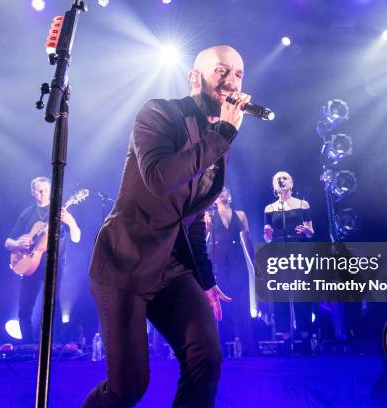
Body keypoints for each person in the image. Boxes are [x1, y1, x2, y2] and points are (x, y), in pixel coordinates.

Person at [83, 45, 250, 408]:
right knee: (128, 388)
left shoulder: (217, 141)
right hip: (124, 262)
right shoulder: (159, 113)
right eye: (222, 71)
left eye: (238, 74)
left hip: (169, 269)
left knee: (206, 360)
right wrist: (222, 134)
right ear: (195, 78)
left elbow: (189, 219)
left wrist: (206, 281)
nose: (231, 81)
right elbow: (160, 179)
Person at [4, 177, 81, 343]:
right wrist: (18, 244)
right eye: (39, 191)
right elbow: (7, 242)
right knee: (24, 310)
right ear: (33, 192)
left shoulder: (59, 212)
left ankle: (56, 345)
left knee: (53, 304)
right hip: (29, 264)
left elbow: (76, 238)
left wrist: (71, 222)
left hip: (53, 264)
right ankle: (27, 347)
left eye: (46, 190)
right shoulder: (28, 213)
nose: (43, 194)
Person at [263, 171, 314, 343]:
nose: (281, 180)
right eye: (278, 179)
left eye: (284, 178)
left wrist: (307, 231)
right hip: (278, 250)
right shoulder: (269, 209)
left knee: (300, 293)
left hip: (298, 248)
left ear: (291, 183)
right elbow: (267, 236)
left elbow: (310, 232)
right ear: (274, 186)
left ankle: (305, 337)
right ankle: (284, 338)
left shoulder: (303, 204)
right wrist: (268, 235)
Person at [204, 186, 255, 356]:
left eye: (225, 190)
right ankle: (222, 345)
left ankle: (247, 345)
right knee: (220, 301)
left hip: (237, 258)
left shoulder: (240, 214)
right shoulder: (209, 215)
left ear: (230, 195)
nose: (222, 193)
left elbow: (247, 241)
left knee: (241, 300)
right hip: (217, 258)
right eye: (219, 191)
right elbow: (203, 238)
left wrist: (254, 263)